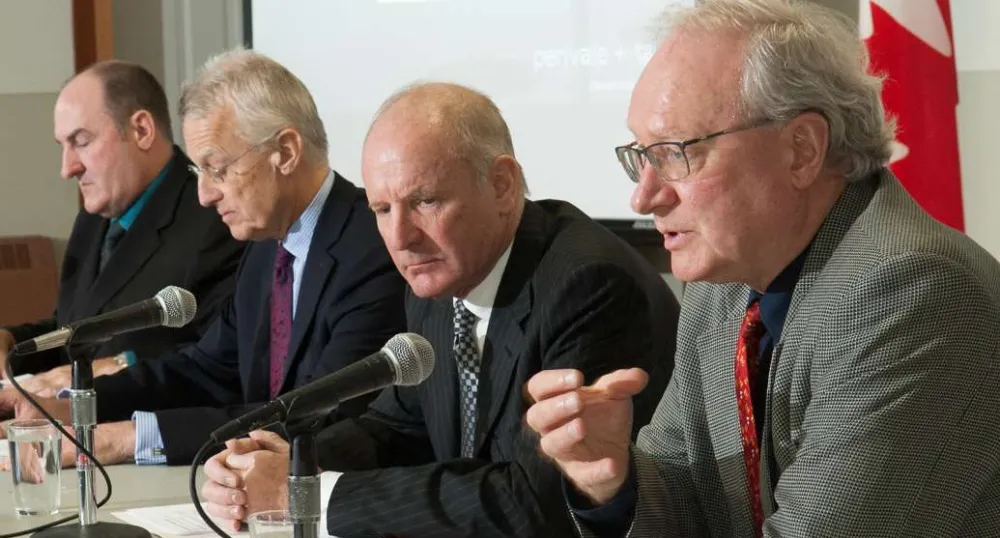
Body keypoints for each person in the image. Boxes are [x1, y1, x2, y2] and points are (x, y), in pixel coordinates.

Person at [524, 0, 1000, 537]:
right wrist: (614, 484)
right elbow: (689, 496)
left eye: (675, 153)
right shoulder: (724, 286)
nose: (644, 197)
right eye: (641, 155)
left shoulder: (914, 292)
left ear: (801, 150)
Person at [198, 82, 681, 537]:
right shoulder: (437, 280)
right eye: (382, 210)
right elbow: (399, 427)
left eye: (425, 201)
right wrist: (287, 462)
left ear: (502, 185)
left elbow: (538, 499)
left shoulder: (586, 285)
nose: (400, 238)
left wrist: (308, 494)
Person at [0, 50, 407, 469]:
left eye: (217, 169)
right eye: (199, 172)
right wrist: (76, 408)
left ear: (285, 152)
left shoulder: (372, 247)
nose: (205, 194)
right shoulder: (268, 246)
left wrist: (125, 438)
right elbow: (204, 369)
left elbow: (319, 417)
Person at [0, 60, 244, 392]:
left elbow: (225, 359)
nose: (67, 168)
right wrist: (12, 344)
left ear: (141, 130)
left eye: (82, 142)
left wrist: (121, 364)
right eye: (64, 147)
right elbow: (74, 330)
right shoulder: (94, 216)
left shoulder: (214, 219)